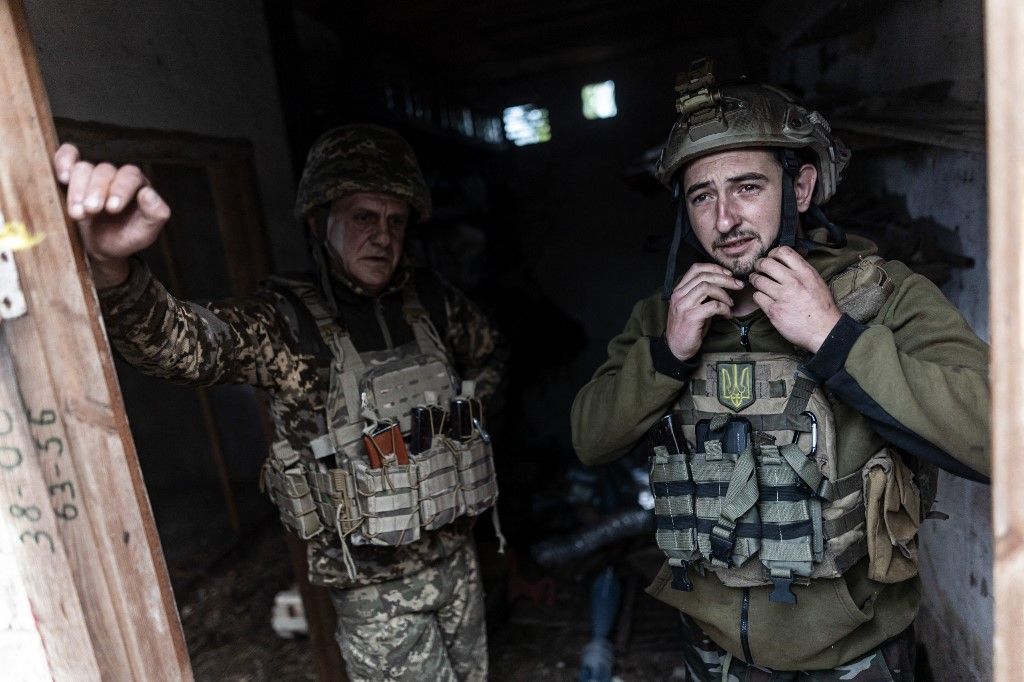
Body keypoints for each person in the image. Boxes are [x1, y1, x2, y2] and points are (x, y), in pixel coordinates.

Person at [570, 59, 989, 680]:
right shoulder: (668, 315)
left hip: (854, 659)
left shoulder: (883, 295)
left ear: (799, 189)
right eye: (701, 196)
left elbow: (996, 433)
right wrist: (666, 353)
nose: (724, 221)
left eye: (747, 187)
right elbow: (590, 438)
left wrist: (833, 337)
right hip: (713, 658)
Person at [53, 124, 503, 682]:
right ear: (319, 221)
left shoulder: (433, 303)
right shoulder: (287, 323)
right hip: (373, 589)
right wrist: (115, 272)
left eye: (395, 220)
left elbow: (490, 355)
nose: (382, 236)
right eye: (364, 216)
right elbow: (185, 347)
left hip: (457, 558)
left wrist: (457, 429)